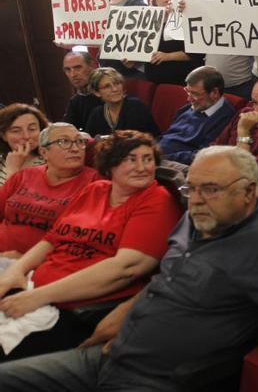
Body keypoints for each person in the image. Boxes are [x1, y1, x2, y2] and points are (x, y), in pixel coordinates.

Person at [0, 146, 258, 391]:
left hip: (154, 379)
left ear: (249, 192)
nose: (195, 200)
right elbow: (172, 275)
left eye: (210, 190)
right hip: (108, 356)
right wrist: (127, 311)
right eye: (190, 188)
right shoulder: (202, 218)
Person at [0, 130, 181, 361]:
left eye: (148, 159)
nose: (142, 167)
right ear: (110, 166)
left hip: (76, 309)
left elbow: (125, 269)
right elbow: (50, 241)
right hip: (34, 289)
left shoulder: (157, 199)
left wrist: (38, 296)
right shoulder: (94, 190)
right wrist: (15, 272)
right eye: (131, 159)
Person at [0, 123, 98, 258]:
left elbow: (84, 241)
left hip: (45, 264)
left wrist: (25, 261)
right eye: (64, 142)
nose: (75, 148)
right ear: (44, 152)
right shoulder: (23, 176)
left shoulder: (96, 183)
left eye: (80, 142)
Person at [158, 66, 235, 165]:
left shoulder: (225, 118)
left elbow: (202, 155)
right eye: (187, 91)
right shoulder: (191, 107)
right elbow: (168, 135)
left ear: (214, 93)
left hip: (173, 164)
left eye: (194, 94)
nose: (189, 99)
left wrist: (160, 158)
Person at [143, 0, 204, 86]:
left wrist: (168, 56)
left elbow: (196, 53)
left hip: (181, 80)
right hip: (154, 82)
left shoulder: (185, 20)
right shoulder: (146, 23)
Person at [95, 0, 148, 79]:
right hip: (106, 69)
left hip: (131, 72)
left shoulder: (137, 4)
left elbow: (145, 37)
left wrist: (136, 60)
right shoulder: (99, 6)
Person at [84, 68, 159, 137]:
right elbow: (90, 142)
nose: (115, 89)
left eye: (117, 83)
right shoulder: (96, 113)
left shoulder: (137, 106)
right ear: (97, 92)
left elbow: (154, 137)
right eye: (107, 86)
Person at [0, 104, 49, 186]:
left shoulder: (51, 160)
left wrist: (13, 171)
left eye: (32, 129)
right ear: (3, 136)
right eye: (16, 131)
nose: (26, 136)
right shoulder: (2, 160)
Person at [61, 51, 102, 131]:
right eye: (68, 70)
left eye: (77, 68)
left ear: (92, 66)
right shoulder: (75, 101)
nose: (73, 74)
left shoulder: (108, 94)